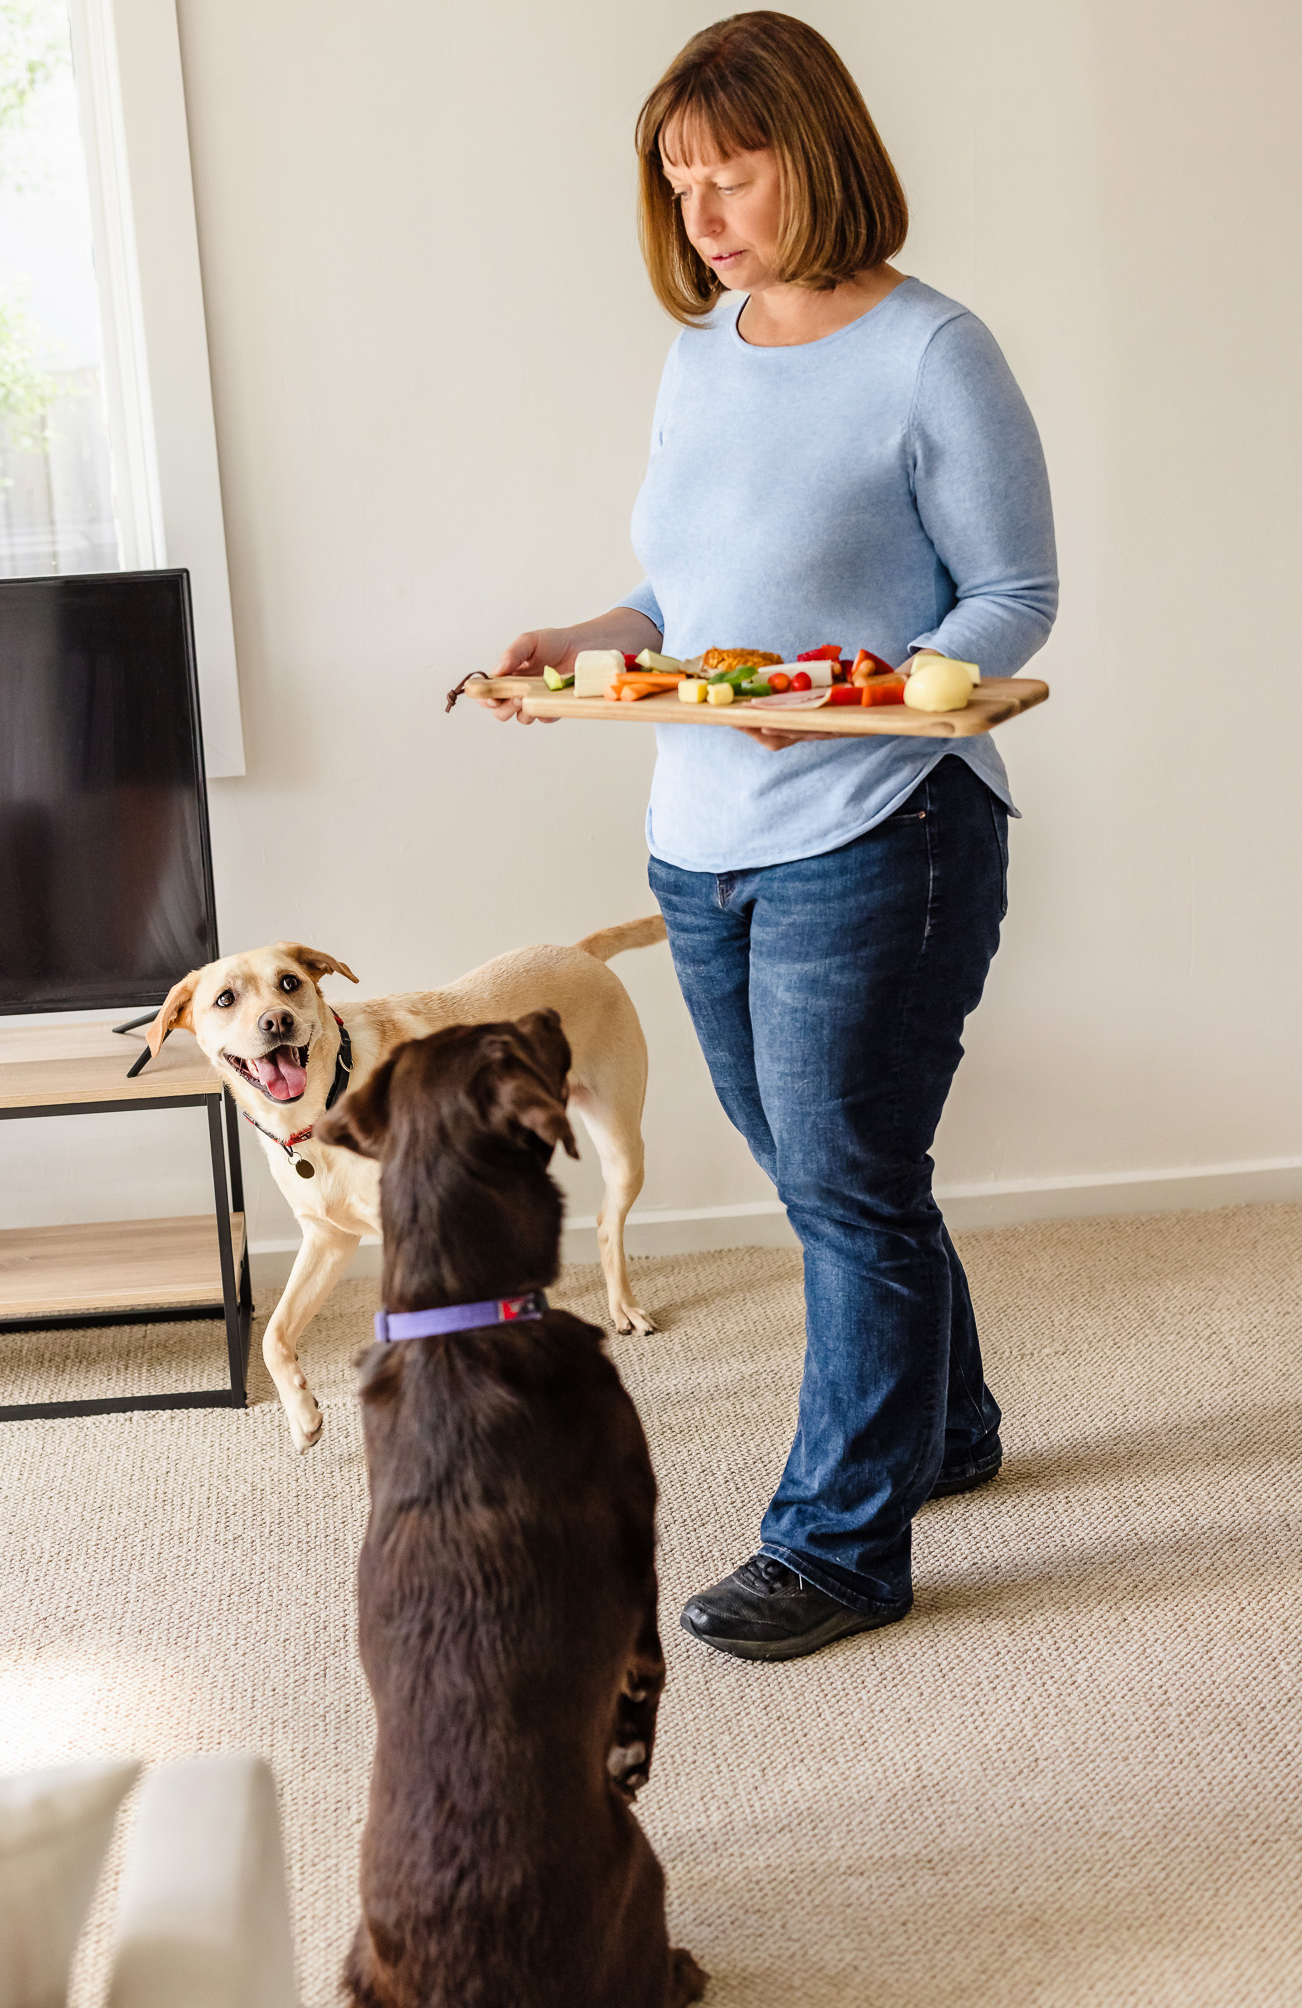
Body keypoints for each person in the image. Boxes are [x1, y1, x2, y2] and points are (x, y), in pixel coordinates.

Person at [480, 11, 1057, 1663]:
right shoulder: (706, 348)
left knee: (845, 1181)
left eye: (735, 173)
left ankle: (838, 1543)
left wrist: (866, 695)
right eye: (681, 182)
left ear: (822, 153)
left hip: (884, 825)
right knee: (835, 1174)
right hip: (699, 830)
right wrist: (571, 638)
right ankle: (943, 1427)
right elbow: (683, 602)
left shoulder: (936, 353)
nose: (708, 211)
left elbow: (1015, 593)